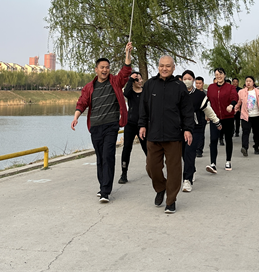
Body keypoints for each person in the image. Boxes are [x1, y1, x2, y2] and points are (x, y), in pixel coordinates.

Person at [71, 42, 132, 203]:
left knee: (108, 156)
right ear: (96, 70)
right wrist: (76, 117)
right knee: (100, 158)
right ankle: (102, 186)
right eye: (102, 67)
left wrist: (127, 54)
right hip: (95, 127)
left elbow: (125, 72)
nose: (105, 70)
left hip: (111, 125)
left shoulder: (115, 82)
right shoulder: (89, 87)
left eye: (107, 67)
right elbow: (82, 102)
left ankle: (105, 191)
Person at [138, 55, 194, 214]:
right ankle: (160, 187)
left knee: (174, 170)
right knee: (151, 167)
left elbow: (187, 110)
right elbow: (143, 107)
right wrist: (142, 125)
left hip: (173, 135)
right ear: (158, 67)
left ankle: (171, 201)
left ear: (173, 68)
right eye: (162, 65)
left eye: (168, 66)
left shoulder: (179, 86)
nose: (164, 68)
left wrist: (188, 129)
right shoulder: (150, 85)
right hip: (153, 134)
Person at [181, 70, 220, 192]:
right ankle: (191, 170)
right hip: (180, 128)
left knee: (189, 152)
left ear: (193, 80)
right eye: (184, 78)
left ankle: (187, 180)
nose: (187, 81)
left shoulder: (199, 95)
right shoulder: (177, 93)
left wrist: (216, 121)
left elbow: (207, 109)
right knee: (183, 153)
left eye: (189, 78)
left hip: (195, 128)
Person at [206, 68, 239, 173]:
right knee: (213, 139)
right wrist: (207, 113)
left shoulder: (230, 87)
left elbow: (235, 98)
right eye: (216, 74)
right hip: (215, 118)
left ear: (224, 75)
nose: (218, 76)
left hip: (228, 117)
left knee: (228, 139)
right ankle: (213, 164)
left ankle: (228, 161)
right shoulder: (211, 87)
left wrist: (231, 105)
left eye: (220, 74)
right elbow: (207, 101)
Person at [118, 71, 147, 184]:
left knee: (147, 148)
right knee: (127, 148)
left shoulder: (145, 92)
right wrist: (130, 79)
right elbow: (125, 93)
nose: (140, 81)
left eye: (140, 79)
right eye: (137, 79)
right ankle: (124, 173)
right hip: (130, 124)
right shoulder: (130, 93)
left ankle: (153, 168)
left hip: (143, 125)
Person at [235, 76, 259, 155]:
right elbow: (238, 103)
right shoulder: (241, 92)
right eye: (247, 81)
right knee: (245, 132)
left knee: (256, 133)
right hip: (245, 116)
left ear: (253, 82)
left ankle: (256, 147)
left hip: (256, 115)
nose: (248, 83)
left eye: (250, 81)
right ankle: (244, 147)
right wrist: (234, 111)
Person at [194, 76, 207, 158]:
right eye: (197, 83)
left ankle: (199, 150)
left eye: (200, 83)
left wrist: (207, 115)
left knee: (201, 133)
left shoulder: (206, 94)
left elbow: (208, 106)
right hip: (194, 115)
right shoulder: (192, 93)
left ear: (203, 84)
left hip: (203, 115)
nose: (198, 85)